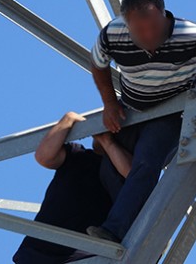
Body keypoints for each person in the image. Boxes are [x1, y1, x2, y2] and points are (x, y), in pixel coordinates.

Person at [87, 0, 196, 242]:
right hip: (131, 111)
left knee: (147, 162)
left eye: (154, 27)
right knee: (108, 167)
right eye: (140, 31)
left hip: (173, 112)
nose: (149, 36)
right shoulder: (112, 34)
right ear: (127, 24)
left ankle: (115, 231)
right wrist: (108, 102)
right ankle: (124, 230)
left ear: (164, 15)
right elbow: (98, 63)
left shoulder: (193, 36)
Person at [12, 112, 132, 263]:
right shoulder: (79, 156)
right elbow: (44, 156)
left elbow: (133, 175)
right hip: (39, 253)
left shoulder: (124, 174)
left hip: (82, 257)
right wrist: (69, 119)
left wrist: (108, 143)